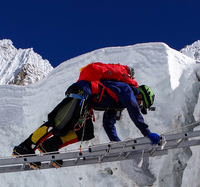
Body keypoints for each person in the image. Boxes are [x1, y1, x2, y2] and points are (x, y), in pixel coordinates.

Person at [13, 66, 160, 166]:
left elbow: (108, 123)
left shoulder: (117, 102)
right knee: (58, 122)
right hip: (81, 93)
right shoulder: (127, 90)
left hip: (87, 102)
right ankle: (25, 147)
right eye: (141, 105)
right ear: (140, 95)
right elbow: (134, 112)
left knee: (87, 132)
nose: (139, 107)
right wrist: (147, 133)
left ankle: (50, 146)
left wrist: (117, 144)